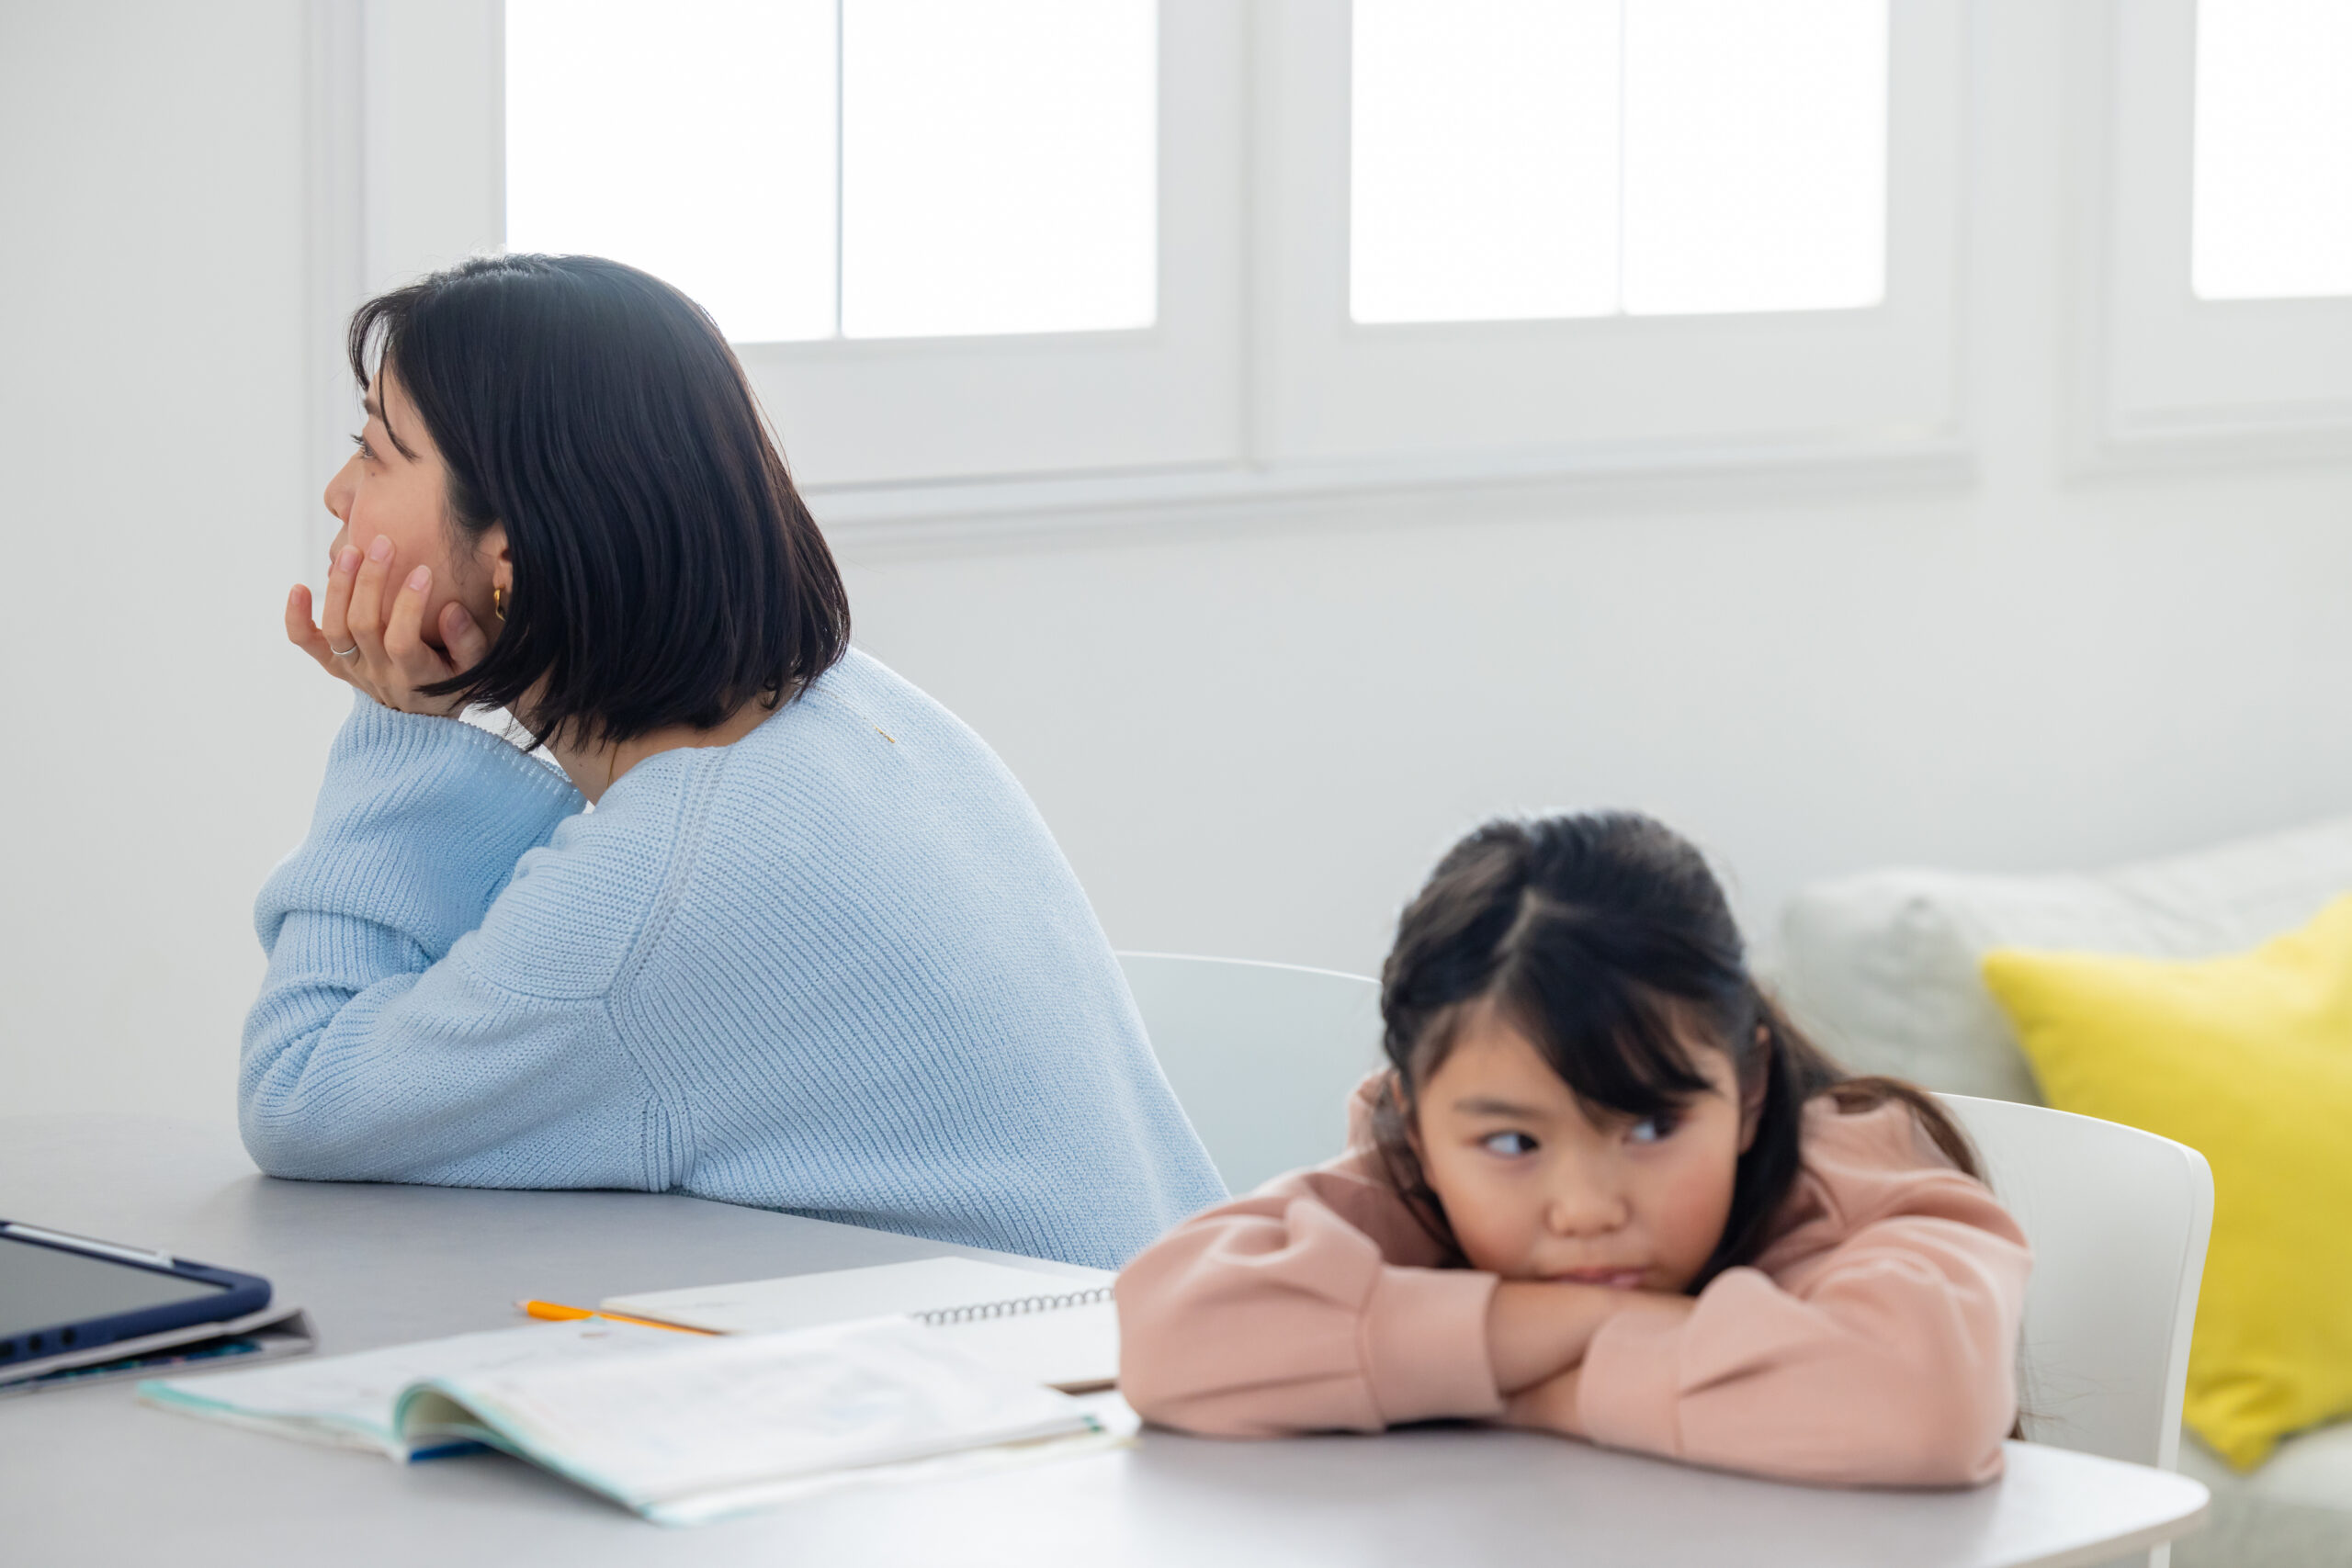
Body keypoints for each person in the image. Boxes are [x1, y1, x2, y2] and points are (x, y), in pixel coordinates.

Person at [249, 254, 1222, 1269]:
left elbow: (300, 1092)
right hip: (1142, 1348)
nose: (335, 493)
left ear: (512, 558)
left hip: (1052, 1400)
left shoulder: (664, 888)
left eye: (374, 452)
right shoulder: (854, 711)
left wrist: (406, 732)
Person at [1115, 812, 2030, 1485]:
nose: (1587, 1208)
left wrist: (1494, 1383)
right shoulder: (1416, 1174)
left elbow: (1925, 1408)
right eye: (1513, 1141)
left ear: (1749, 1092)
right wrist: (1589, 1329)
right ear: (1418, 1128)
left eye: (1647, 1127)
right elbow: (1171, 1338)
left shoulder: (1845, 1178)